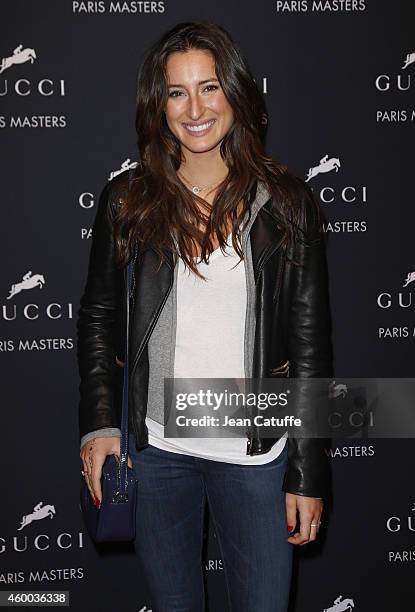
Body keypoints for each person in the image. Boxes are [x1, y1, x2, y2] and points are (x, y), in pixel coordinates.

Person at [77, 20, 333, 612]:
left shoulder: (288, 204)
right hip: (157, 452)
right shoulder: (127, 202)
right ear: (158, 106)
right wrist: (99, 424)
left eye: (209, 87)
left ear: (235, 95)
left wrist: (308, 472)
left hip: (256, 454)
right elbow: (97, 318)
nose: (194, 107)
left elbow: (311, 346)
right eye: (176, 92)